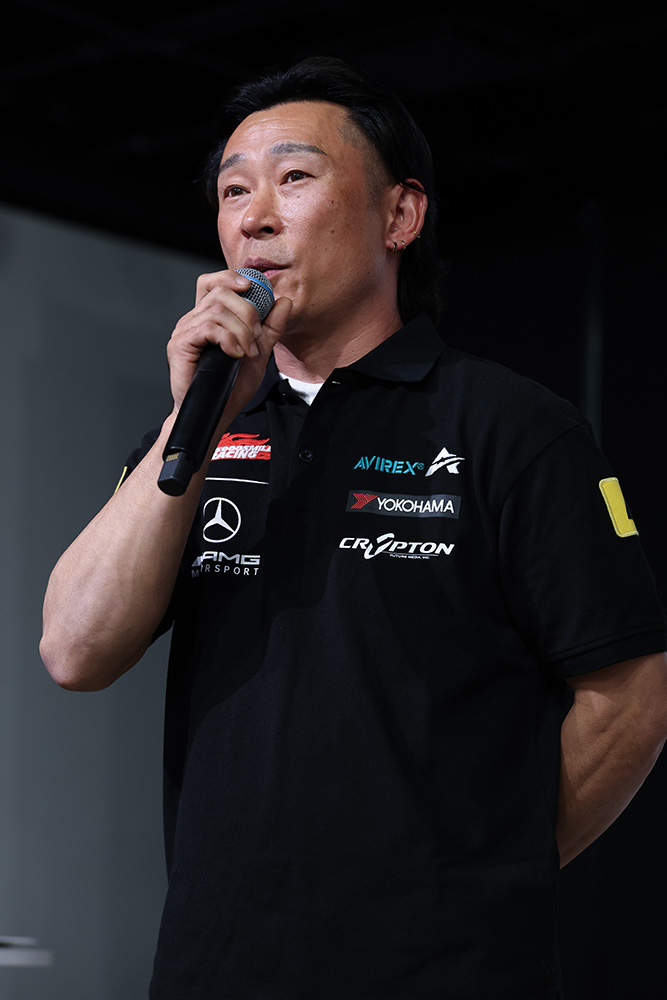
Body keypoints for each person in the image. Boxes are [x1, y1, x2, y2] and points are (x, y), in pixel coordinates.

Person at [40, 56, 667, 999]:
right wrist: (188, 423)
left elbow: (629, 696)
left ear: (399, 215)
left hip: (445, 972)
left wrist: (482, 875)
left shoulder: (509, 425)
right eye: (233, 191)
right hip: (215, 966)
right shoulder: (201, 431)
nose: (254, 218)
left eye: (293, 178)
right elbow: (74, 650)